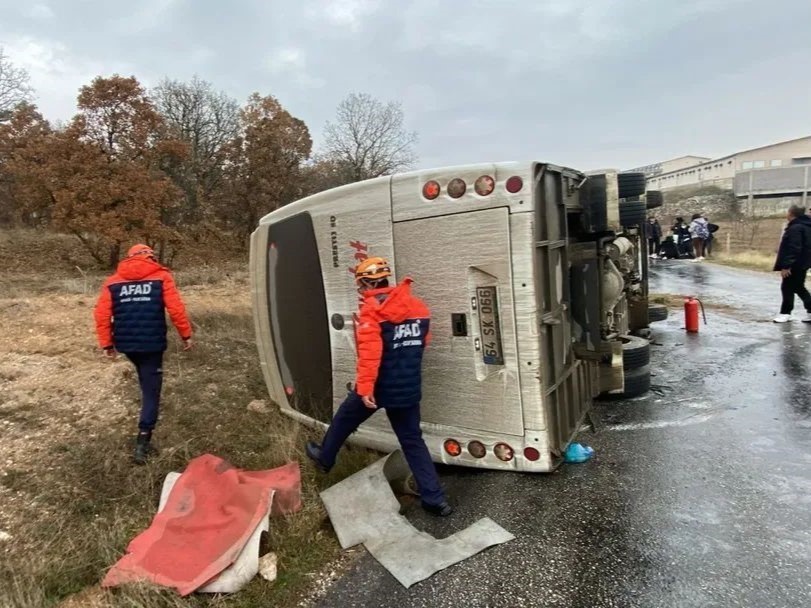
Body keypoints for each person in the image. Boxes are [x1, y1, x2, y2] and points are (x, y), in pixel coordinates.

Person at [306, 257, 452, 517]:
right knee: (412, 441)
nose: (360, 290)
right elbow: (423, 342)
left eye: (360, 285)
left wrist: (365, 389)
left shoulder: (372, 312)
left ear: (368, 283)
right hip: (408, 388)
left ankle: (324, 458)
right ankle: (435, 499)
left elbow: (370, 357)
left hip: (379, 387)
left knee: (344, 419)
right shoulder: (419, 307)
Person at [94, 244, 193, 464]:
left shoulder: (112, 282)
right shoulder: (161, 277)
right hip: (152, 345)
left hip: (126, 345)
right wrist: (185, 334)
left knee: (144, 378)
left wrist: (107, 344)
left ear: (129, 258)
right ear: (150, 257)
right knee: (151, 391)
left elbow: (101, 315)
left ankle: (144, 429)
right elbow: (176, 309)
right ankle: (143, 443)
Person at [772, 205, 811, 323]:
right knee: (798, 287)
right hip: (803, 263)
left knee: (787, 287)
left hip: (795, 264)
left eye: (787, 212)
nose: (786, 214)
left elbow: (794, 248)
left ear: (791, 213)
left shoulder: (796, 228)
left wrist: (786, 265)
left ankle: (785, 313)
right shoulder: (806, 226)